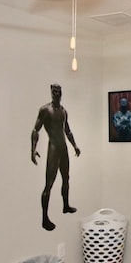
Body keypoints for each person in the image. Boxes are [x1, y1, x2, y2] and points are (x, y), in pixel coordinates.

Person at [31, 84, 81, 231]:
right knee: (49, 184)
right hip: (53, 148)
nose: (57, 94)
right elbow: (36, 130)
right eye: (54, 92)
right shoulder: (45, 110)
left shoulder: (63, 111)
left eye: (59, 92)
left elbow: (67, 130)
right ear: (51, 93)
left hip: (63, 148)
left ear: (61, 93)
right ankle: (44, 218)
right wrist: (33, 149)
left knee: (66, 178)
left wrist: (75, 145)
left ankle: (65, 205)